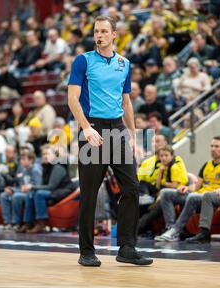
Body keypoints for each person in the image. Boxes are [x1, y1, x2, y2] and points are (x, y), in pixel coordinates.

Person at [68, 16, 153, 267]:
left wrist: (134, 135)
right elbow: (73, 99)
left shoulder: (124, 64)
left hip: (117, 129)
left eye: (105, 31)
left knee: (132, 187)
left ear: (114, 34)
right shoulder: (83, 61)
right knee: (90, 193)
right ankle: (86, 251)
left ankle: (127, 248)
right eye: (97, 31)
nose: (100, 35)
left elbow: (126, 102)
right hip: (92, 127)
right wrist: (85, 128)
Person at [155, 136, 220, 241]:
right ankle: (170, 227)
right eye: (211, 146)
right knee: (165, 193)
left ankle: (175, 231)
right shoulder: (207, 165)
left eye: (216, 146)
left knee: (192, 197)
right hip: (199, 195)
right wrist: (185, 188)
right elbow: (197, 186)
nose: (213, 149)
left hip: (218, 196)